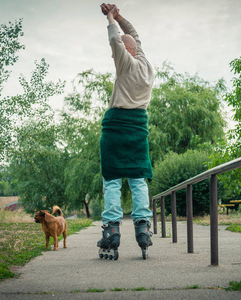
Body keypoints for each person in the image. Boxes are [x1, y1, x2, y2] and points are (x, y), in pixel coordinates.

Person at [97, 3, 154, 260]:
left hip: (118, 126)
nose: (115, 56)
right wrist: (119, 16)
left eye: (122, 48)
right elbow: (134, 35)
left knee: (111, 178)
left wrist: (110, 19)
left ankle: (111, 229)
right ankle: (142, 225)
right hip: (138, 127)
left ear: (126, 50)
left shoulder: (126, 63)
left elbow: (114, 41)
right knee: (138, 177)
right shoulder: (146, 65)